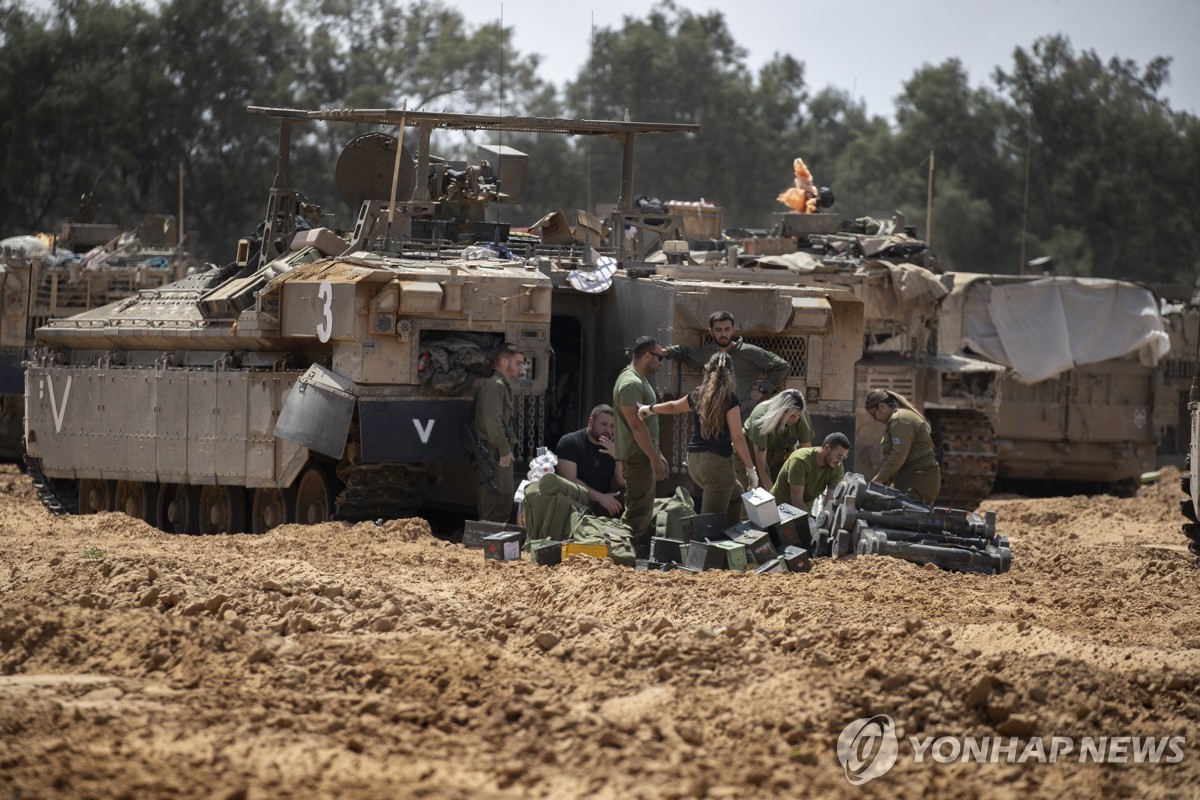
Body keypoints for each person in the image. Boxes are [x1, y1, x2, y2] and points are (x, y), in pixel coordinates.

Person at [639, 352, 757, 525]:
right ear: (731, 374)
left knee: (736, 497)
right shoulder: (730, 399)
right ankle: (708, 548)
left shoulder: (697, 395)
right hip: (716, 466)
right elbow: (737, 437)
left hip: (694, 463)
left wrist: (650, 408)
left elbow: (672, 407)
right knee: (709, 525)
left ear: (706, 370)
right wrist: (751, 470)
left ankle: (731, 543)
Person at [663, 310, 790, 422]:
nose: (723, 334)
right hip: (715, 418)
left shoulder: (749, 352)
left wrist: (761, 390)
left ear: (733, 330)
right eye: (718, 330)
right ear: (711, 332)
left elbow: (782, 366)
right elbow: (687, 353)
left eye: (727, 329)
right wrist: (664, 351)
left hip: (742, 415)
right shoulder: (709, 352)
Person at [614, 336, 670, 556]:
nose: (661, 362)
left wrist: (656, 453)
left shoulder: (638, 380)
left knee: (642, 509)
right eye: (660, 357)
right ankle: (623, 555)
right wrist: (653, 458)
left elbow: (644, 423)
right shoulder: (631, 384)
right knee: (638, 512)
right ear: (647, 356)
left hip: (643, 455)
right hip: (637, 457)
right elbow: (637, 427)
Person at [473, 343, 525, 522]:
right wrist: (504, 450)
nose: (521, 368)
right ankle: (487, 542)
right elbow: (493, 423)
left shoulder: (501, 385)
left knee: (502, 498)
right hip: (495, 453)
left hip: (498, 452)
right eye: (518, 363)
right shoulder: (496, 386)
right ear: (504, 362)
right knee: (497, 499)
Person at [864, 388, 941, 504]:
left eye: (873, 415)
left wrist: (879, 479)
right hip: (908, 481)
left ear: (881, 407)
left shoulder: (900, 419)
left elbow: (899, 454)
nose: (875, 419)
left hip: (917, 483)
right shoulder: (897, 420)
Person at [555, 404, 625, 516]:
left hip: (603, 503)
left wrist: (618, 456)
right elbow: (570, 480)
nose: (608, 430)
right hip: (575, 502)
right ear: (591, 421)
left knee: (629, 495)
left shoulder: (613, 447)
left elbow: (622, 482)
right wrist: (600, 498)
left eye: (612, 426)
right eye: (604, 424)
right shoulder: (570, 442)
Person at [739, 389, 814, 489]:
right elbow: (761, 462)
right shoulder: (761, 417)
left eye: (798, 416)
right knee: (753, 491)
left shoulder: (800, 415)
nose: (796, 420)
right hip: (751, 450)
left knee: (787, 487)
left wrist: (808, 479)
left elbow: (806, 451)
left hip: (781, 452)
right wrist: (772, 495)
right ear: (781, 411)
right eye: (791, 416)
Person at [771, 432, 851, 512]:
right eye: (839, 456)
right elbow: (796, 499)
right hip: (778, 509)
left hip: (804, 512)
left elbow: (830, 501)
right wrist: (809, 521)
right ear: (826, 448)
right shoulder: (800, 460)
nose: (840, 461)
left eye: (844, 457)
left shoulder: (837, 467)